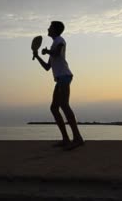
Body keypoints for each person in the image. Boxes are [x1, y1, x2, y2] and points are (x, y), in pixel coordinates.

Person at [33, 21, 84, 150]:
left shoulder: (60, 40)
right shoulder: (53, 44)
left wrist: (47, 51)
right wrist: (38, 56)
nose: (48, 29)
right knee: (54, 108)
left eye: (50, 27)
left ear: (55, 30)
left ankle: (78, 138)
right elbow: (47, 67)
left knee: (64, 105)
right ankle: (66, 139)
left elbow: (56, 52)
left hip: (65, 77)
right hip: (60, 79)